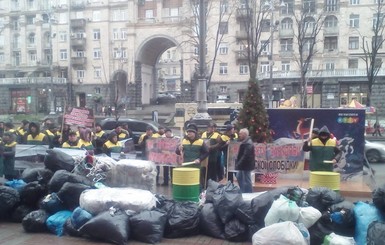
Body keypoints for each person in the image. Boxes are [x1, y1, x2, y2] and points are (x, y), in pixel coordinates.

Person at [175, 123, 209, 189]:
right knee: (187, 181)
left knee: (196, 182)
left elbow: (206, 152)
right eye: (188, 132)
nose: (188, 133)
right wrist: (179, 149)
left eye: (190, 132)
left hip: (196, 165)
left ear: (194, 133)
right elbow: (177, 152)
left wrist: (199, 159)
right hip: (185, 165)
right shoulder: (183, 141)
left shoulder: (200, 142)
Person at [235, 128, 255, 193]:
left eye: (240, 134)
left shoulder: (248, 143)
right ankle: (243, 191)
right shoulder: (246, 142)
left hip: (246, 165)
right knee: (239, 176)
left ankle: (249, 193)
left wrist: (239, 163)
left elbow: (245, 155)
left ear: (244, 134)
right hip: (244, 165)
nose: (239, 135)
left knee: (247, 180)